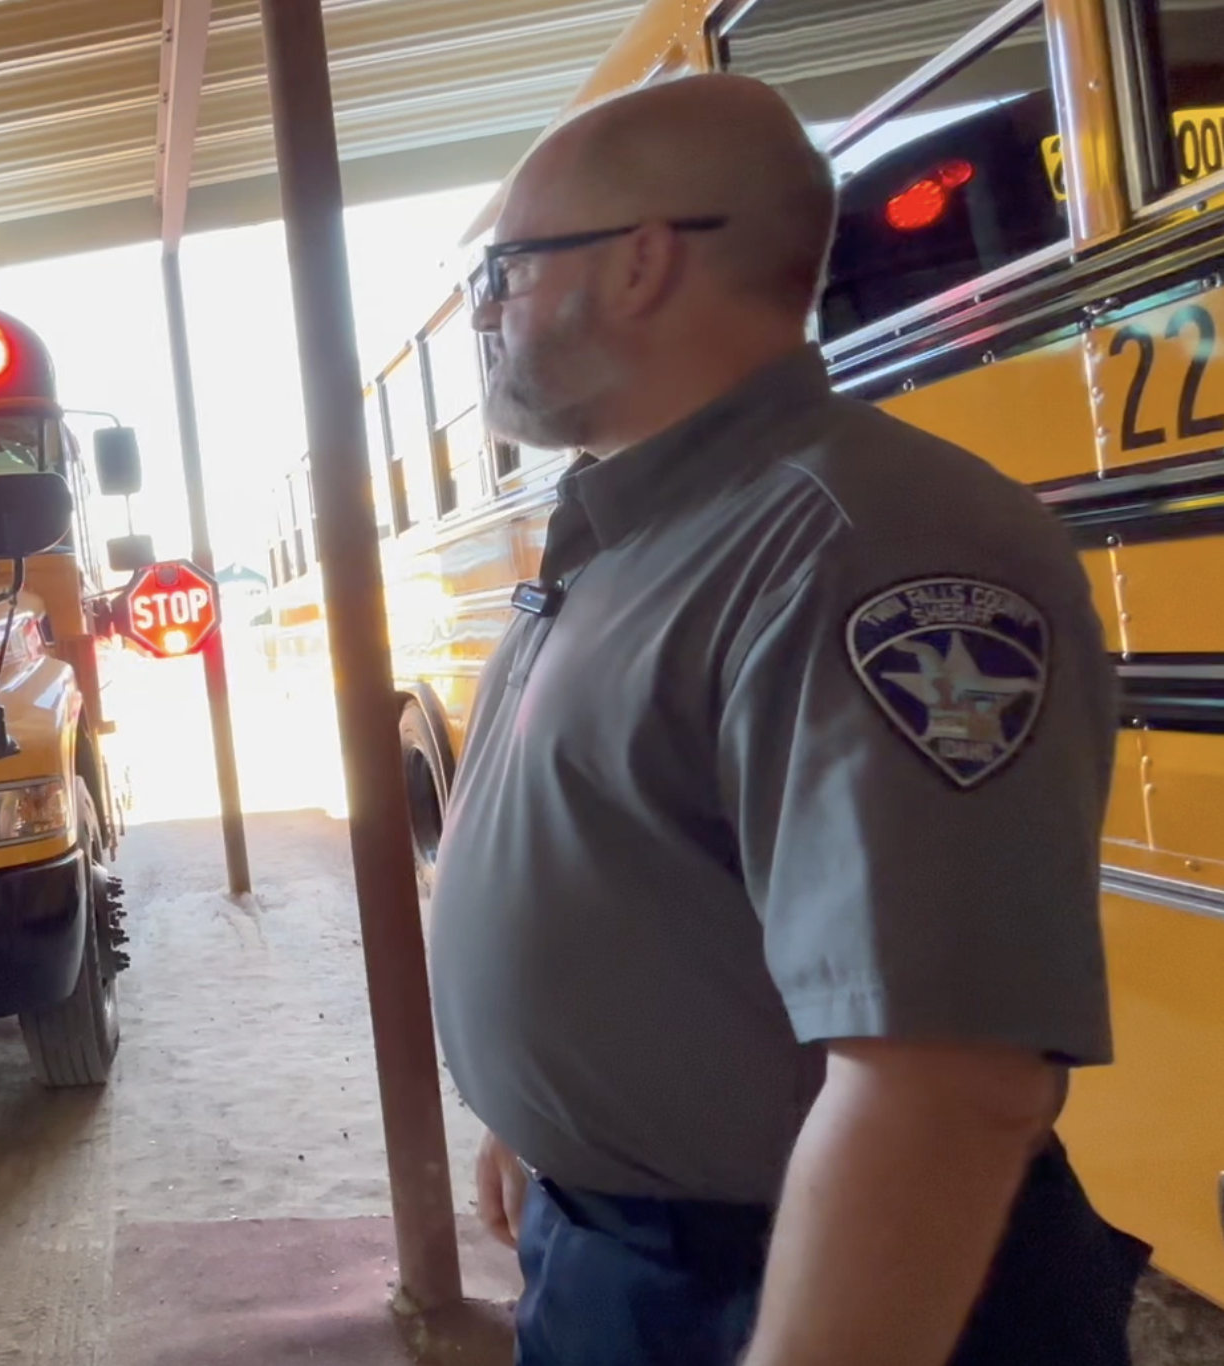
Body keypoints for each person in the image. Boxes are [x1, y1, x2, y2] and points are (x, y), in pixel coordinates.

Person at [428, 73, 1149, 1366]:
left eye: (507, 271)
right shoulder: (645, 529)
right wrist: (548, 1115)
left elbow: (943, 1087)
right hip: (636, 1255)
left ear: (642, 261)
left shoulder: (863, 546)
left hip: (796, 1285)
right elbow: (644, 872)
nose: (487, 312)